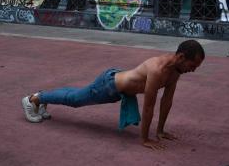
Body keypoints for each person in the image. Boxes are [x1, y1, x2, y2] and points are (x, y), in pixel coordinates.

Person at [22, 39, 205, 150]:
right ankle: (33, 99)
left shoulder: (175, 71)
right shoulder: (158, 70)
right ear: (181, 57)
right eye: (192, 65)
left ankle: (42, 97)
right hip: (109, 85)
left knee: (76, 95)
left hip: (118, 86)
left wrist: (160, 131)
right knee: (75, 99)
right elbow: (149, 106)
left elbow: (167, 101)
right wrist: (144, 139)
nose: (193, 70)